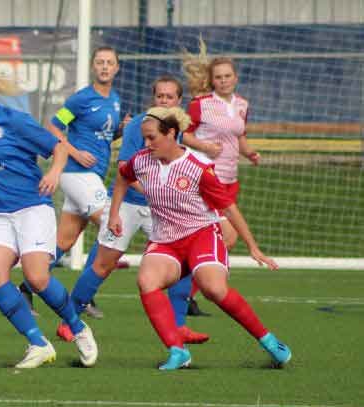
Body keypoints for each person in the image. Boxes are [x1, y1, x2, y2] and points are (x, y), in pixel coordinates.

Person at [0, 60, 98, 369]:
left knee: (36, 277)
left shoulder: (14, 121)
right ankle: (38, 344)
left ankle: (77, 328)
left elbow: (60, 148)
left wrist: (54, 172)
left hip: (32, 208)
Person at [108, 105, 291, 370]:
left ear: (171, 133)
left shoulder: (199, 167)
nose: (146, 144)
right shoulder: (142, 160)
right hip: (166, 240)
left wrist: (253, 247)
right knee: (146, 281)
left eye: (152, 138)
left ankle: (270, 341)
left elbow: (228, 207)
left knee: (213, 288)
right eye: (144, 138)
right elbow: (123, 178)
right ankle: (177, 351)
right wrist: (115, 214)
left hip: (201, 235)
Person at [56, 76, 209, 345]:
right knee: (103, 265)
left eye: (169, 97)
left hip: (159, 211)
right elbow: (125, 170)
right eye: (159, 96)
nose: (164, 100)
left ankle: (179, 326)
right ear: (153, 98)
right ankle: (69, 322)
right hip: (128, 205)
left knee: (186, 265)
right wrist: (119, 210)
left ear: (178, 101)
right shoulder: (138, 125)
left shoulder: (176, 129)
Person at [19, 46, 129, 318]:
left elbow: (105, 136)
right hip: (75, 173)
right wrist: (75, 151)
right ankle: (85, 295)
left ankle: (26, 289)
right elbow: (55, 127)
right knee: (111, 223)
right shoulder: (82, 99)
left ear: (117, 68)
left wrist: (120, 131)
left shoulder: (114, 100)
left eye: (109, 62)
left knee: (64, 241)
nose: (104, 66)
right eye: (100, 62)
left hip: (92, 176)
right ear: (94, 67)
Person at [180, 38, 261, 315]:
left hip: (230, 179)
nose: (224, 81)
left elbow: (240, 135)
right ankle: (191, 289)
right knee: (227, 236)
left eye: (228, 76)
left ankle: (186, 291)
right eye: (219, 77)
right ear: (212, 81)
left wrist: (250, 153)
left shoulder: (242, 104)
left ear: (235, 78)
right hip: (206, 178)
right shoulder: (200, 104)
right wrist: (203, 146)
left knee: (220, 237)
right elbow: (184, 134)